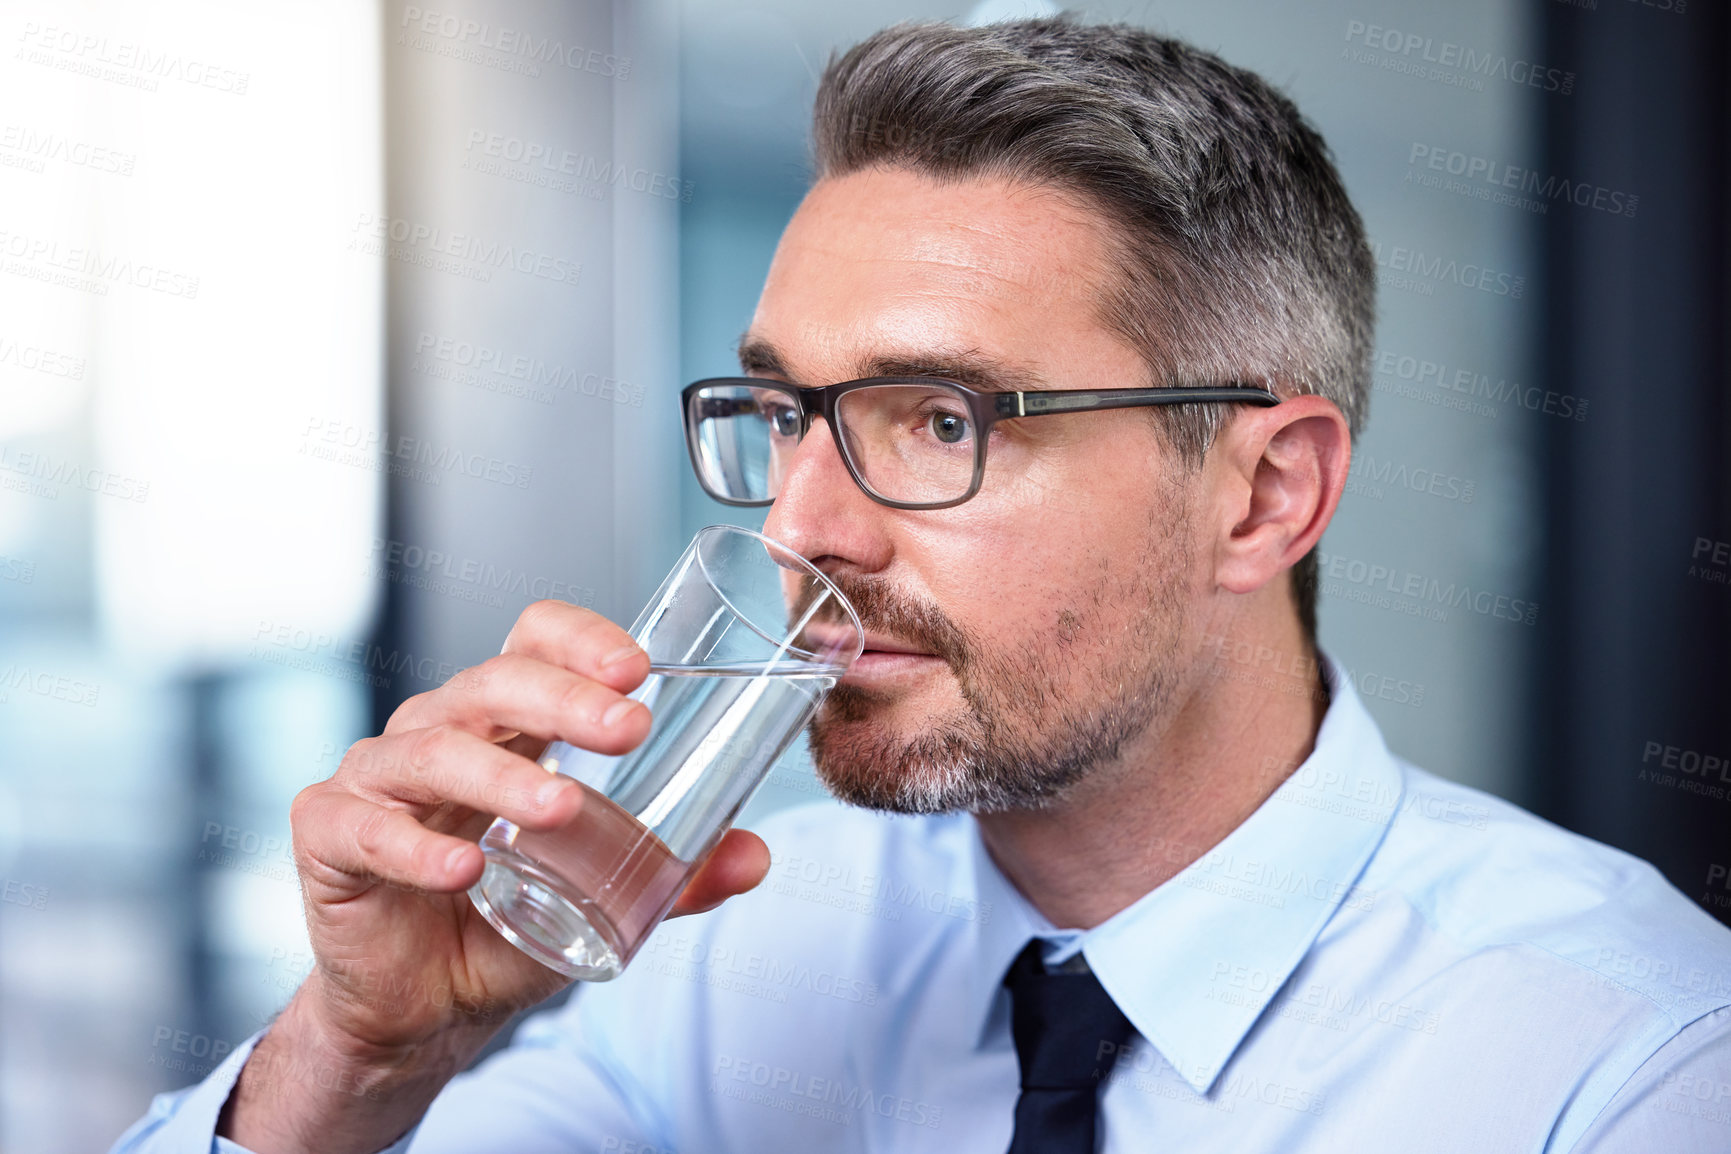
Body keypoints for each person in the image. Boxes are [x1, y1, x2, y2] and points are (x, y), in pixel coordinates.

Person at [114, 15, 1731, 1154]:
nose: (809, 525)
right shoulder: (720, 954)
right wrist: (356, 1058)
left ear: (1265, 495)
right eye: (784, 414)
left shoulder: (1625, 1062)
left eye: (940, 419)